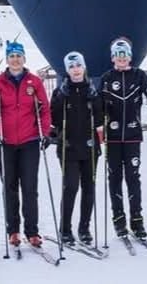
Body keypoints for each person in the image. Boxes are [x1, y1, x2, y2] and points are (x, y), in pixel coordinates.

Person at [0, 41, 51, 248]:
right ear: (7, 59)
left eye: (19, 56)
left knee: (30, 187)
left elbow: (44, 109)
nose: (15, 60)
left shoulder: (34, 82)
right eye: (12, 56)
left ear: (24, 58)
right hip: (5, 142)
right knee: (10, 186)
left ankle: (32, 231)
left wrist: (45, 131)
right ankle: (13, 230)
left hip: (29, 140)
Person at [99, 37, 147, 239]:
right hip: (113, 137)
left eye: (125, 55)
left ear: (130, 57)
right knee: (115, 178)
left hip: (132, 135)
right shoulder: (107, 77)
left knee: (133, 177)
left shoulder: (139, 75)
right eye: (118, 55)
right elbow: (98, 105)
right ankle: (119, 219)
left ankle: (137, 220)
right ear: (113, 57)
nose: (121, 59)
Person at [49, 51, 102, 246]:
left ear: (84, 67)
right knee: (70, 187)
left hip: (89, 146)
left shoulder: (92, 89)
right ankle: (65, 229)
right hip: (69, 147)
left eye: (78, 65)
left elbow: (100, 116)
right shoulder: (61, 91)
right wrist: (60, 97)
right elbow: (53, 117)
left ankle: (84, 228)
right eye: (71, 67)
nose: (76, 70)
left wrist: (95, 98)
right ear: (67, 70)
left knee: (89, 188)